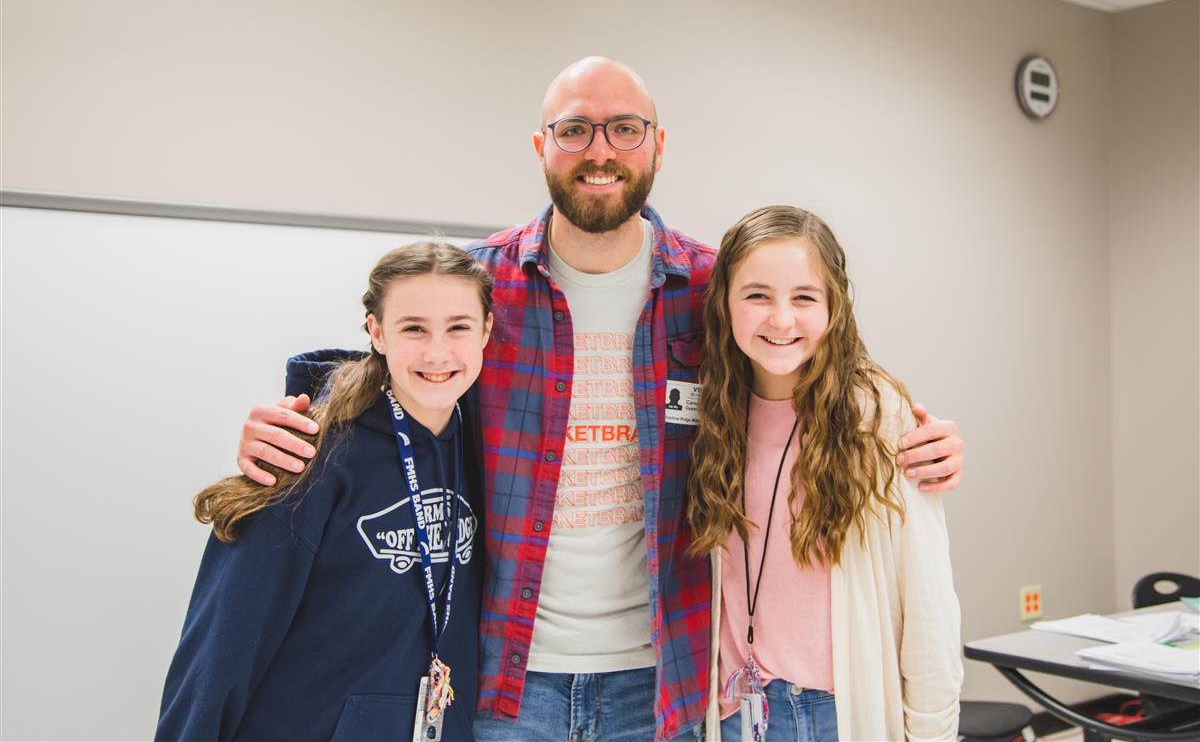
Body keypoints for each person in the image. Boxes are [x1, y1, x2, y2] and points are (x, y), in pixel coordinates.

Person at [233, 57, 966, 742]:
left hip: (664, 683)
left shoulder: (710, 291)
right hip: (506, 682)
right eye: (574, 129)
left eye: (625, 128)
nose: (600, 150)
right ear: (541, 145)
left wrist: (914, 437)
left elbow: (809, 365)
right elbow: (397, 372)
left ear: (657, 145)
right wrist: (298, 422)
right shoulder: (484, 283)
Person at [156, 242, 493, 741]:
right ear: (377, 332)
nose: (437, 352)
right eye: (413, 328)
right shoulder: (307, 455)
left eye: (459, 327)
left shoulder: (487, 448)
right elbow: (225, 641)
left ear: (486, 330)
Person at [688, 206, 961, 741]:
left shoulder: (878, 416)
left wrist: (934, 731)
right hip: (734, 712)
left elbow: (928, 598)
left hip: (838, 711)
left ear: (835, 306)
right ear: (725, 303)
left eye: (805, 298)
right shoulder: (710, 412)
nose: (781, 319)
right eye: (757, 295)